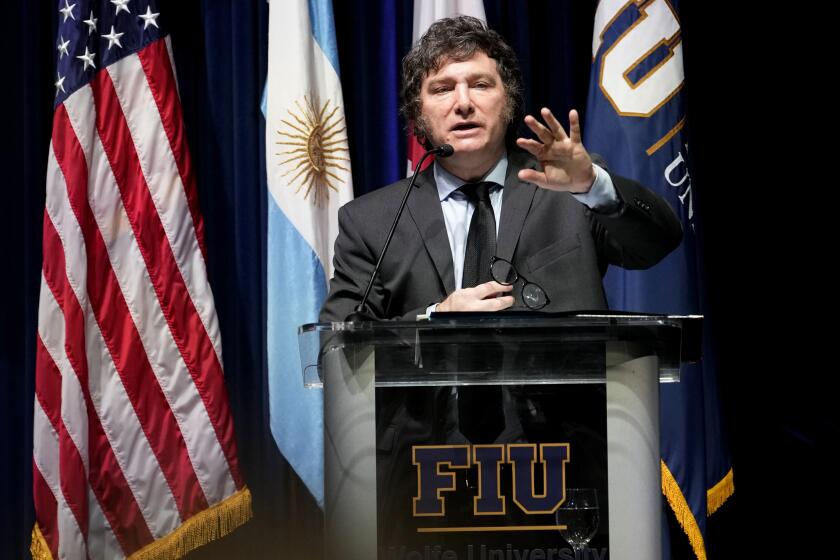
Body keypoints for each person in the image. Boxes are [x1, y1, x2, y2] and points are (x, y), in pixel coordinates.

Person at [320, 15, 682, 323]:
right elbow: (339, 347)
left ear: (508, 102)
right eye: (443, 89)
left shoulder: (570, 191)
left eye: (480, 85)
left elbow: (658, 243)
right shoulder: (370, 223)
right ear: (418, 115)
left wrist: (593, 187)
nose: (463, 103)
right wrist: (433, 317)